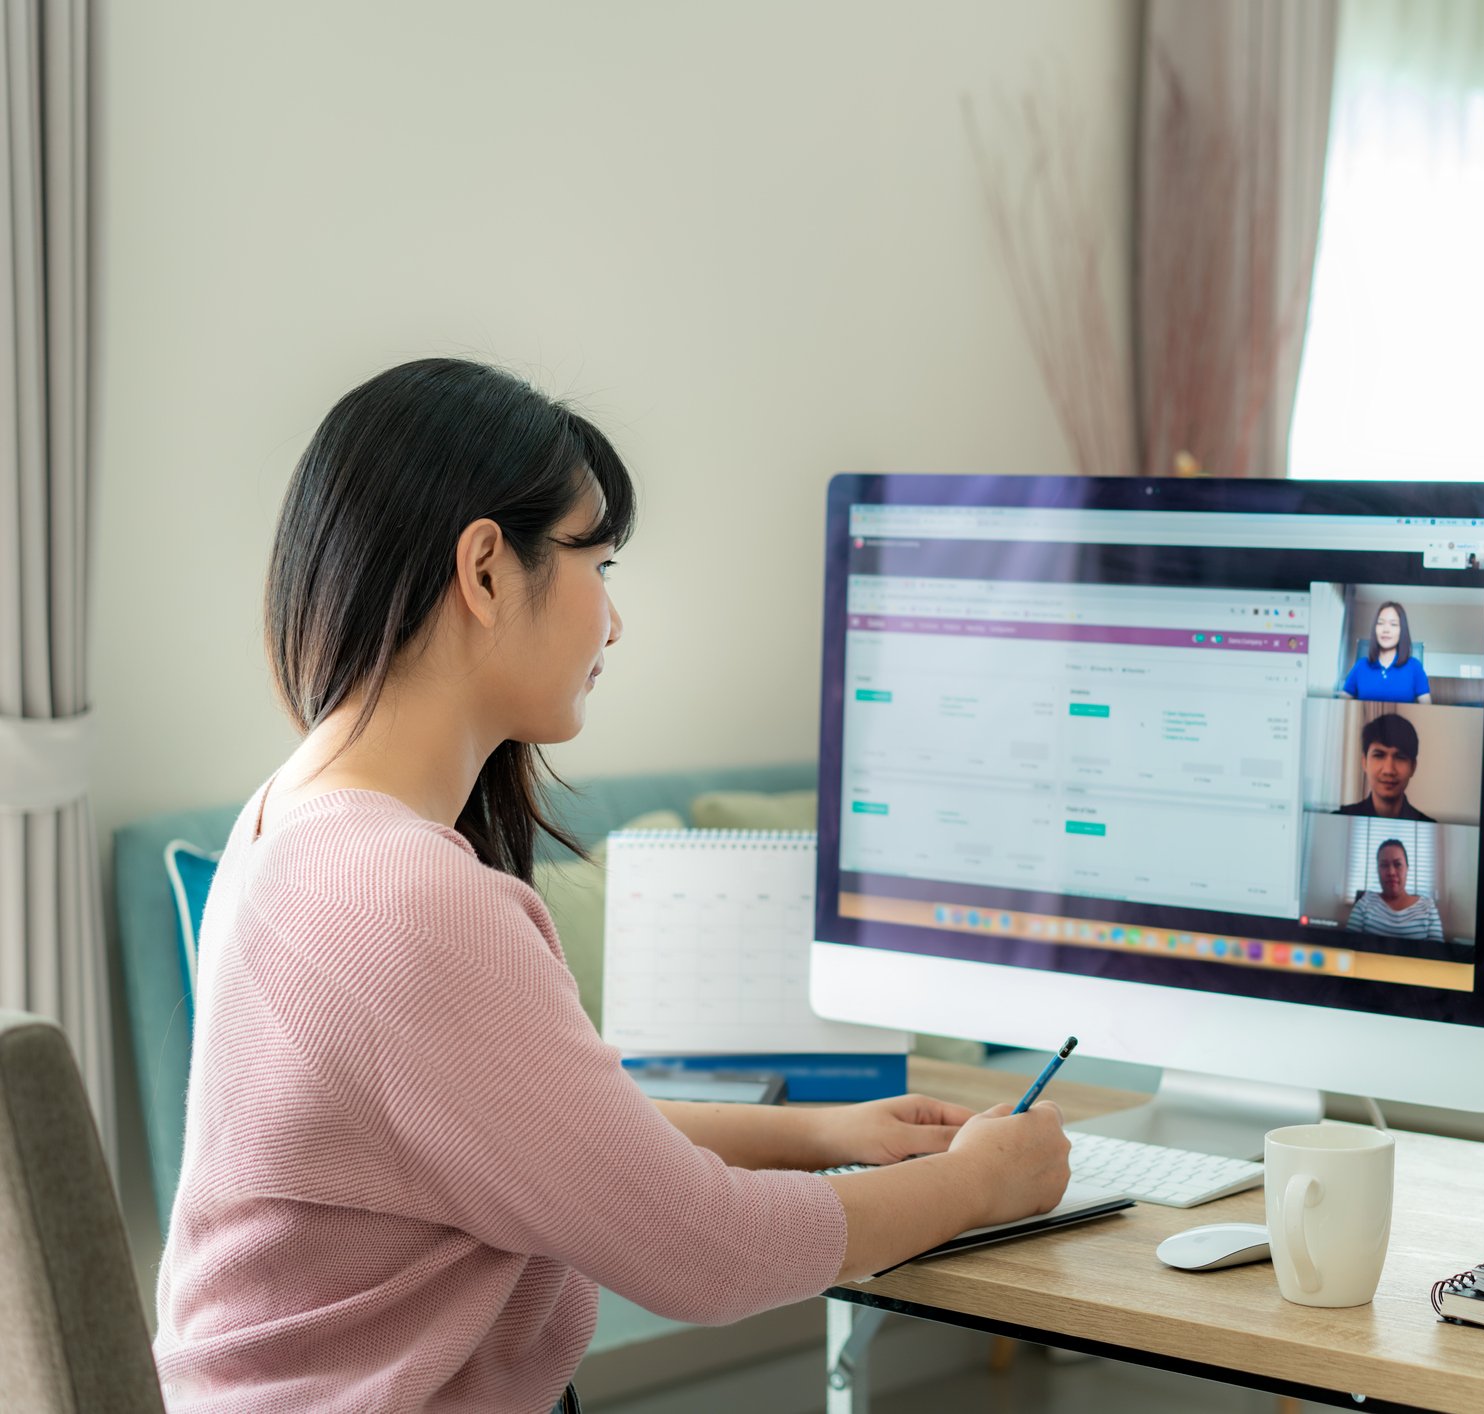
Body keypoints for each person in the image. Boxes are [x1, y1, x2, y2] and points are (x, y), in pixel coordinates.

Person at [151, 359, 1073, 1414]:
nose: (613, 622)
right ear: (487, 569)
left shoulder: (292, 815)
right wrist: (979, 1185)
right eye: (600, 561)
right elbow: (709, 1253)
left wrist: (819, 1134)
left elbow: (551, 1129)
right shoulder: (406, 899)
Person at [1336, 712, 1434, 821]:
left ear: (1413, 767)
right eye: (1379, 755)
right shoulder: (1339, 817)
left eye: (1400, 757)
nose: (1388, 770)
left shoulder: (1427, 822)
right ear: (1364, 762)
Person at [1345, 838, 1445, 943]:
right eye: (1384, 865)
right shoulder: (1364, 904)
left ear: (1407, 868)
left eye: (1397, 864)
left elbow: (1437, 954)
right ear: (1377, 870)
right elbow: (1348, 946)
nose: (1391, 872)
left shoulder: (1428, 907)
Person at [1339, 600, 1431, 703]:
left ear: (1402, 630)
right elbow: (1341, 707)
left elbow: (1427, 710)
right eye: (1381, 623)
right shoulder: (1360, 666)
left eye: (1393, 624)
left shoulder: (1415, 667)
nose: (1386, 629)